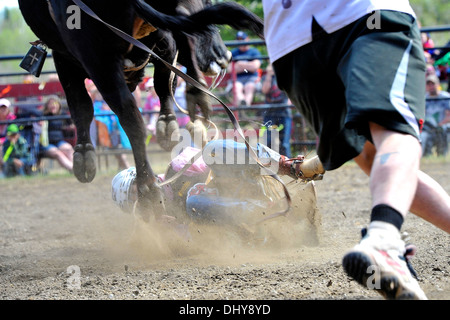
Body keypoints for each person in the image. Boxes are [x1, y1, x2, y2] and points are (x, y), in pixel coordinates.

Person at [262, 0, 450, 300]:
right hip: (363, 15)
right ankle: (386, 239)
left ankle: (387, 245)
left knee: (373, 154)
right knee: (395, 132)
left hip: (290, 40)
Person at [112, 139, 324, 225]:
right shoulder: (167, 225)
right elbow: (193, 244)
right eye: (133, 200)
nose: (139, 198)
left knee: (212, 150)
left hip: (241, 183)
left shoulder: (174, 170)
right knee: (193, 202)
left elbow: (207, 161)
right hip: (242, 224)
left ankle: (294, 168)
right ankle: (285, 219)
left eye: (134, 191)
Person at [260, 63, 293, 157]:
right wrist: (269, 76)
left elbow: (290, 90)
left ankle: (288, 166)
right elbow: (264, 90)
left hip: (284, 112)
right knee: (268, 141)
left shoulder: (285, 75)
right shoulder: (265, 78)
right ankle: (267, 164)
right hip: (269, 113)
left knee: (285, 143)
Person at [39, 97, 74, 172]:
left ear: (59, 105)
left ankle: (74, 168)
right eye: (50, 103)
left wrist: (70, 127)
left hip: (59, 142)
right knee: (58, 153)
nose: (53, 105)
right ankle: (74, 169)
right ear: (47, 106)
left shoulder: (63, 115)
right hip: (46, 144)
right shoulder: (42, 115)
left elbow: (71, 125)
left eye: (55, 103)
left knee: (69, 148)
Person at [228, 31, 262, 108]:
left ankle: (245, 105)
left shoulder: (254, 51)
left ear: (247, 39)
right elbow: (230, 69)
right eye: (239, 40)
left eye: (242, 39)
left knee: (249, 87)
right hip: (237, 79)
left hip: (252, 78)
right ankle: (243, 103)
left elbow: (255, 67)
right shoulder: (233, 52)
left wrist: (239, 64)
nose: (241, 42)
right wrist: (248, 66)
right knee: (236, 87)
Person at [421, 75, 450, 156]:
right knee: (423, 134)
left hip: (444, 125)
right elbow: (422, 115)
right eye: (428, 84)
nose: (431, 86)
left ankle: (443, 155)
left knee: (444, 129)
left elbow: (449, 116)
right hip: (429, 126)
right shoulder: (424, 98)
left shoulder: (446, 97)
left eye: (433, 84)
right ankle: (426, 157)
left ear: (438, 84)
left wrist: (440, 124)